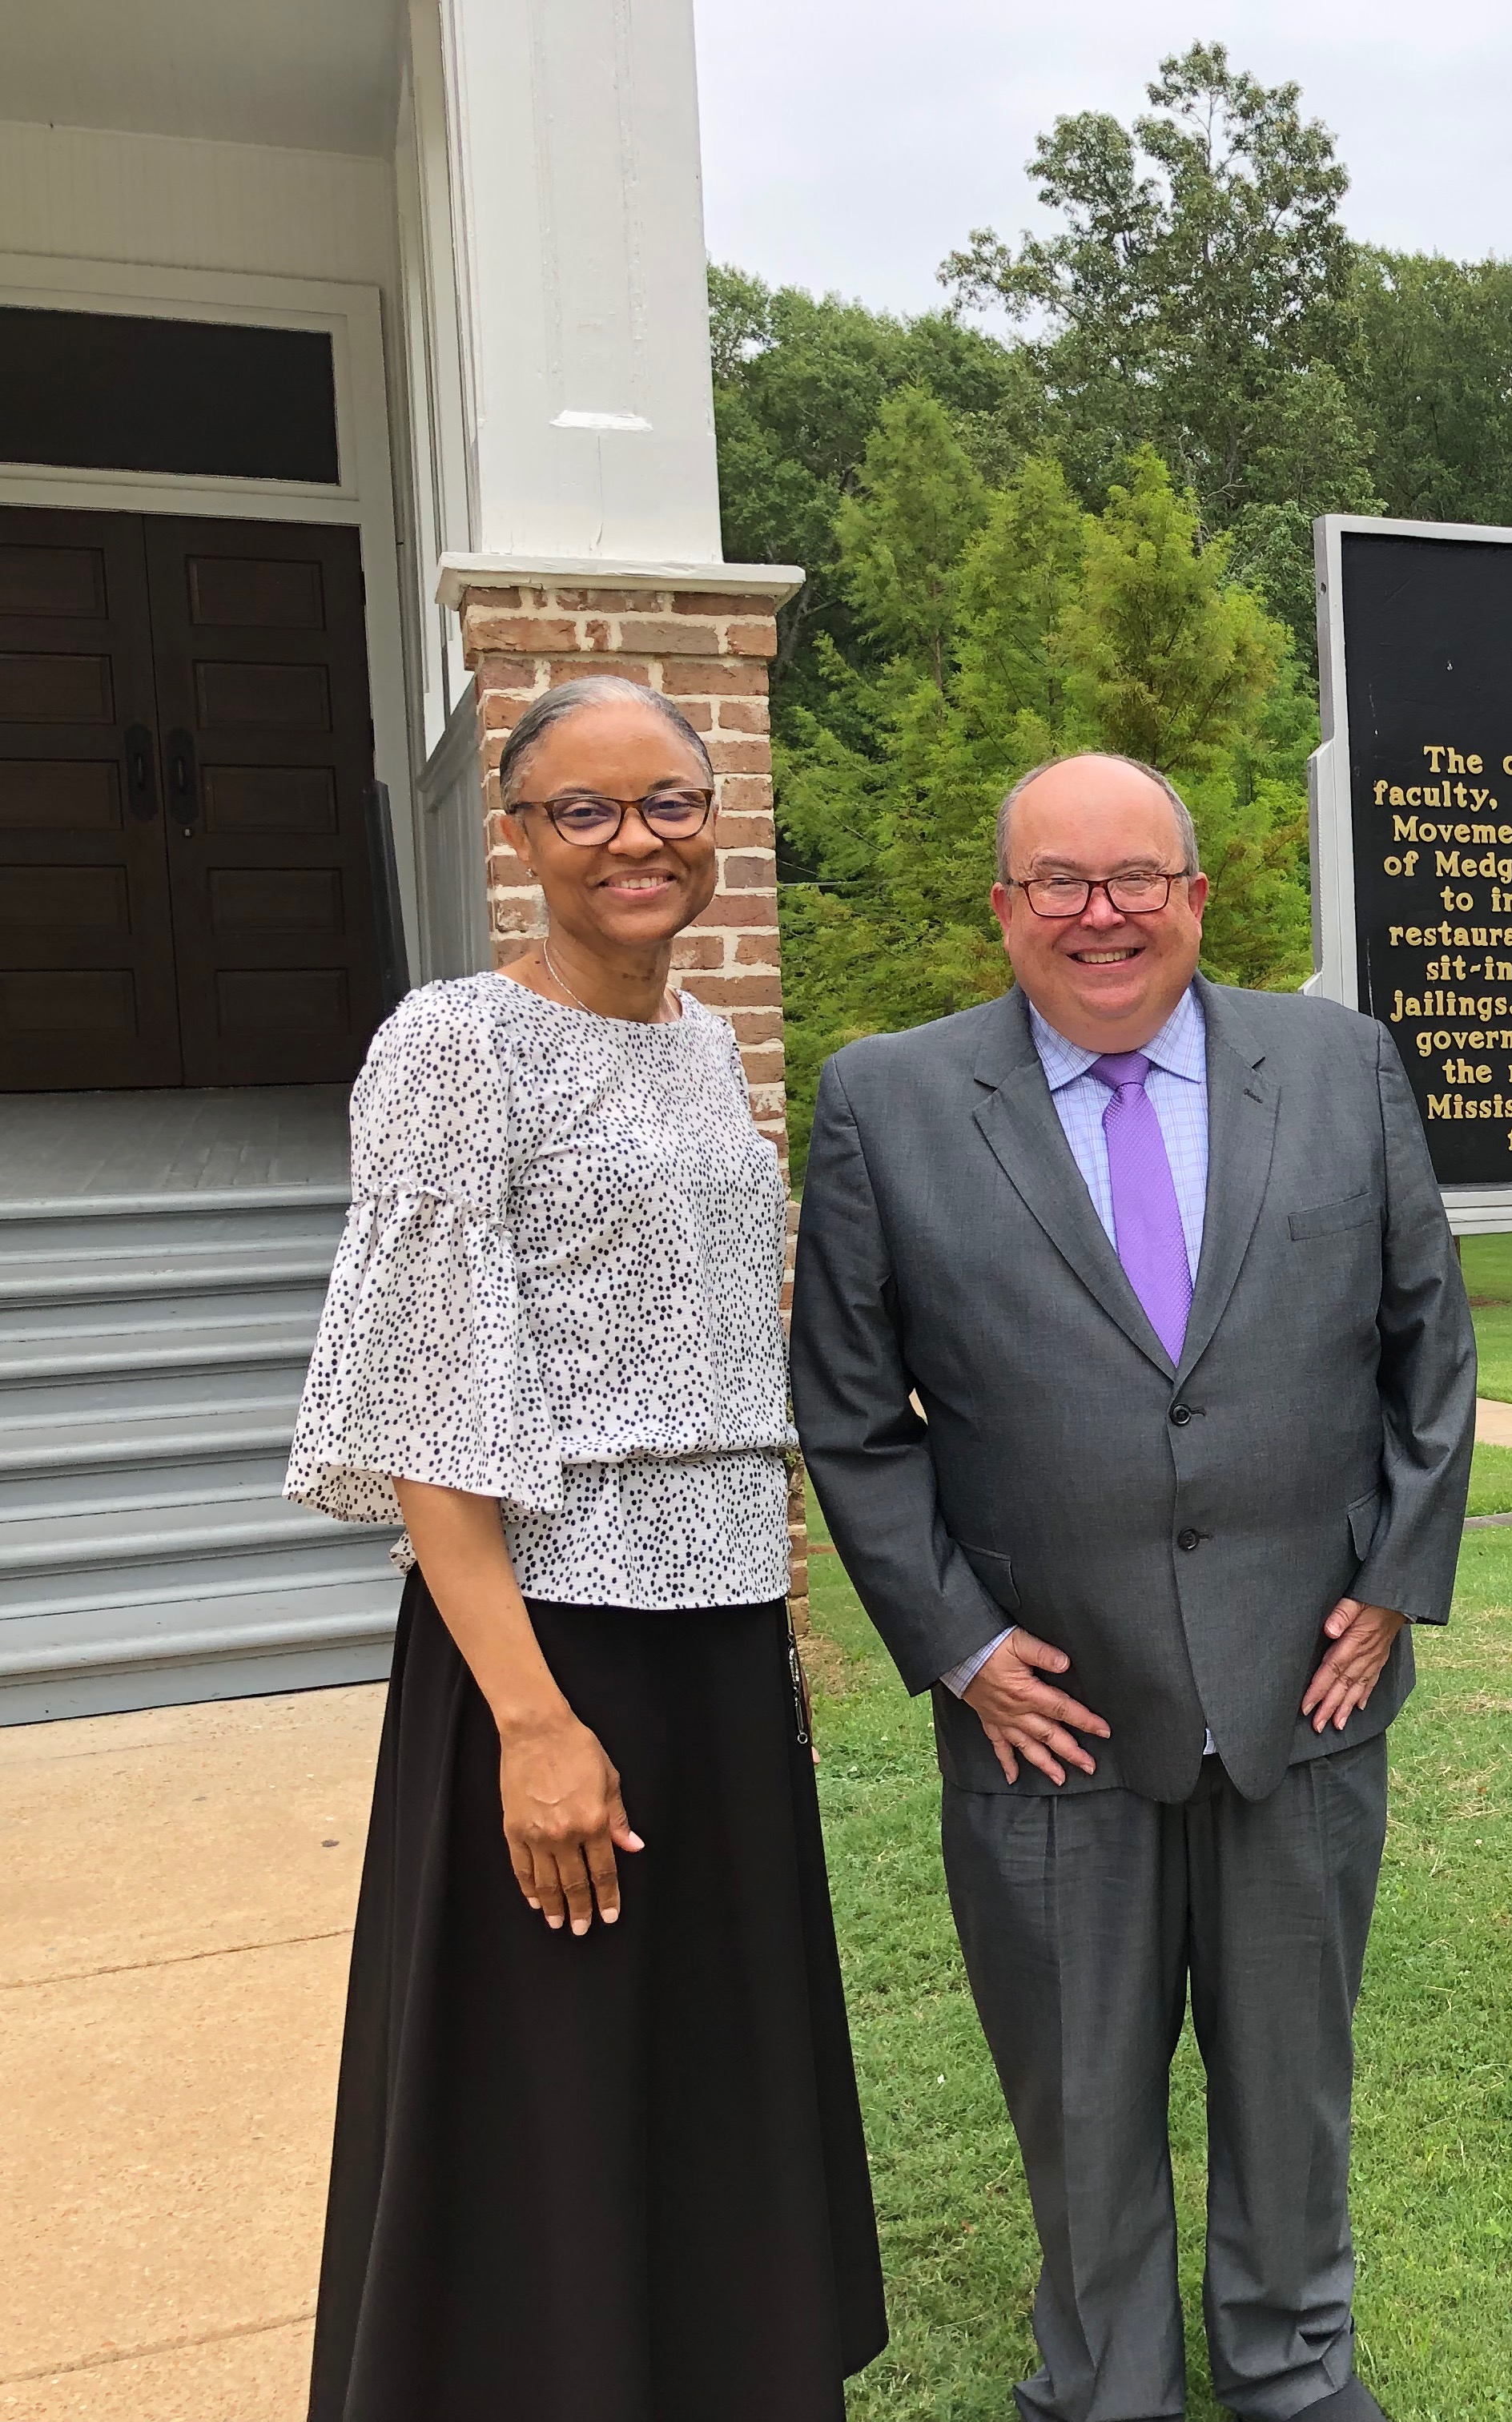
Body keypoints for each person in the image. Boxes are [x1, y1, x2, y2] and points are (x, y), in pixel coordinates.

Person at [792, 753, 1477, 2422]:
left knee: (1291, 2084)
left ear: (1194, 894)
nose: (1103, 915)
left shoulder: (1337, 1066)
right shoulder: (888, 1098)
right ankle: (1104, 2385)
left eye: (1135, 879)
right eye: (1060, 884)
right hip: (1047, 1710)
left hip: (1303, 1685)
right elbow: (850, 1414)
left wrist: (1392, 1585)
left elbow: (1428, 1349)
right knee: (1082, 2098)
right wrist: (956, 1647)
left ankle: (1293, 2372)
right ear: (1006, 910)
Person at [288, 674, 884, 2421]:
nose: (637, 841)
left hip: (718, 1627)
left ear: (717, 821)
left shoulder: (702, 1041)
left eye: (670, 804)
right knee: (545, 2079)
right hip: (554, 1636)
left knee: (703, 2060)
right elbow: (426, 1404)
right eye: (587, 811)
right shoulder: (455, 1043)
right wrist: (533, 1725)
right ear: (522, 837)